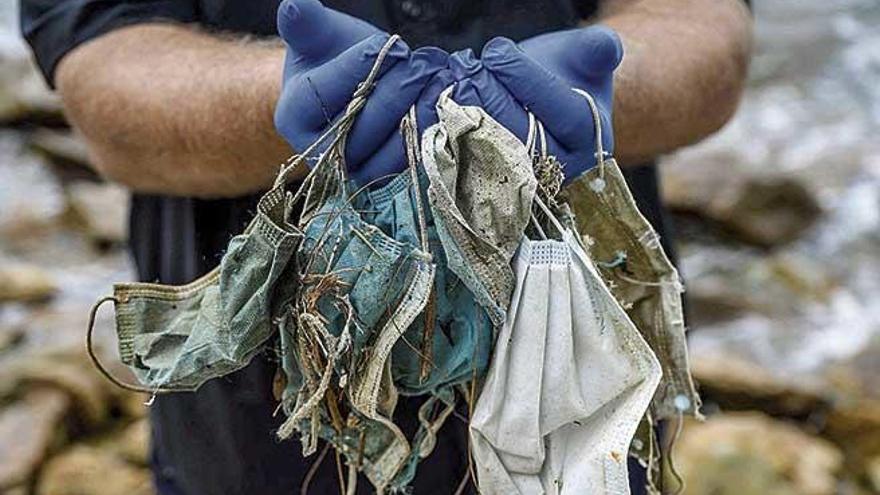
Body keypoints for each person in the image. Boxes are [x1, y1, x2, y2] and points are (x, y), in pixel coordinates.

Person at [20, 1, 752, 494]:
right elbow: (102, 61)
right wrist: (270, 102)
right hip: (256, 429)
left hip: (582, 401)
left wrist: (619, 84)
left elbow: (704, 24)